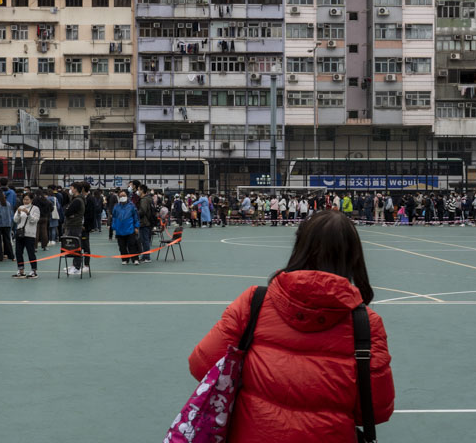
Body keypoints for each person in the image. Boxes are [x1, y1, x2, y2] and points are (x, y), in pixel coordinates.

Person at [188, 210, 395, 441]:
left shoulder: (254, 302)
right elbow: (376, 409)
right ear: (353, 256)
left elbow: (201, 364)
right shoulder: (366, 324)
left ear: (300, 247)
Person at [13, 192, 40, 279]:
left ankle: (33, 270)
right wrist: (18, 213)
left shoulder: (35, 209)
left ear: (31, 200)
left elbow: (34, 220)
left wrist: (28, 213)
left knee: (30, 252)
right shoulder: (20, 207)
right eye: (24, 199)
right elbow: (15, 220)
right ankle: (21, 271)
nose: (25, 201)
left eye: (27, 199)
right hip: (20, 233)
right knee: (18, 252)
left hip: (30, 234)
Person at [111, 192, 140, 266]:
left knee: (132, 245)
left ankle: (135, 259)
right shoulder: (116, 207)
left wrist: (136, 227)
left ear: (127, 196)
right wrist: (113, 226)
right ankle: (124, 259)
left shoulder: (131, 206)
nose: (122, 197)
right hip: (119, 230)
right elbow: (114, 217)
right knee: (122, 246)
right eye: (121, 196)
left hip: (130, 229)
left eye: (124, 195)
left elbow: (136, 217)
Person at [137, 184, 156, 263]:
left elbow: (143, 211)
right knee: (145, 240)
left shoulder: (144, 200)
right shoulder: (149, 198)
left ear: (142, 190)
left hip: (144, 222)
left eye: (138, 189)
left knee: (145, 240)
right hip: (148, 222)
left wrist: (135, 213)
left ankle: (147, 257)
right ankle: (145, 256)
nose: (138, 191)